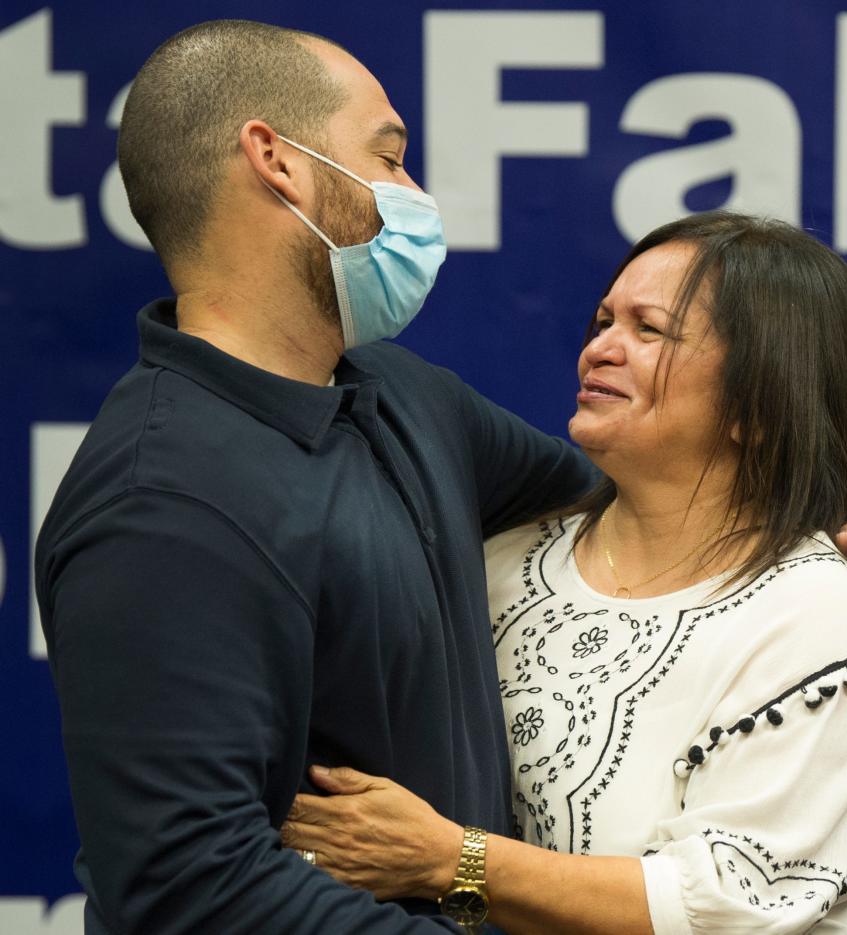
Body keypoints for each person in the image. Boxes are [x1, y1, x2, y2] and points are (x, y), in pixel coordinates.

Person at [35, 19, 599, 935]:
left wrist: (819, 568)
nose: (414, 195)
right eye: (389, 158)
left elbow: (617, 507)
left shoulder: (403, 392)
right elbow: (190, 889)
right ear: (278, 161)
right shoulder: (161, 503)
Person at [280, 213, 847, 933]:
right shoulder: (503, 562)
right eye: (602, 321)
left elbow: (722, 905)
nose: (600, 349)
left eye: (649, 330)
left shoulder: (817, 609)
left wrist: (448, 860)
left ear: (761, 402)